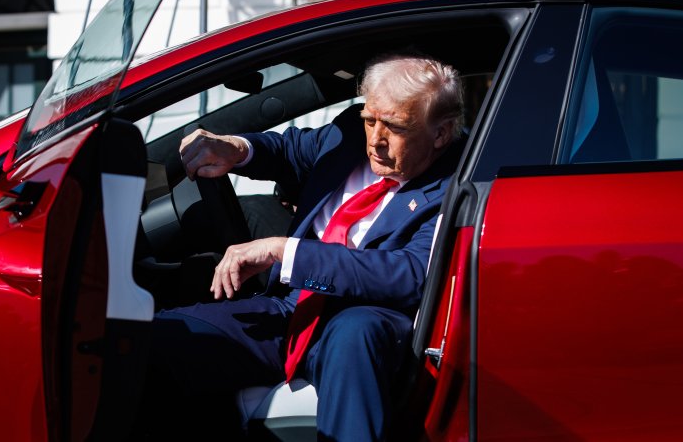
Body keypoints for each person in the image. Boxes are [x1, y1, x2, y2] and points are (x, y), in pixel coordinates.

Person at [136, 53, 465, 441]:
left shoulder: (458, 181)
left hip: (367, 320)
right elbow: (292, 150)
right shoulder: (348, 135)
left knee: (354, 333)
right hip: (293, 307)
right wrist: (235, 149)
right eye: (370, 120)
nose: (375, 140)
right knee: (155, 341)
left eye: (394, 127)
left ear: (441, 134)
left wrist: (284, 251)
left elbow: (408, 274)